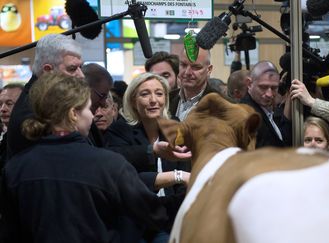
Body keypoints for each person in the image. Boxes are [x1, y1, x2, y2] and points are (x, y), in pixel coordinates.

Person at [1, 73, 179, 243]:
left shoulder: (15, 168)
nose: (93, 115)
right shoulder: (108, 164)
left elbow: (11, 233)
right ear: (73, 114)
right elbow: (154, 214)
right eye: (88, 108)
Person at [104, 72, 190, 242]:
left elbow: (185, 174)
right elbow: (125, 177)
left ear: (165, 99)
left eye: (159, 93)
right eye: (145, 94)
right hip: (135, 219)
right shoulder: (119, 130)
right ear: (133, 101)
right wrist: (154, 152)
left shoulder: (175, 127)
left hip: (169, 216)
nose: (153, 100)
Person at [7, 34, 84, 158]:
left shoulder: (45, 101)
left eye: (81, 67)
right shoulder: (33, 113)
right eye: (72, 69)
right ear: (48, 70)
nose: (81, 75)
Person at [240, 61, 292, 148]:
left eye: (274, 88)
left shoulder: (266, 108)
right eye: (263, 87)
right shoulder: (246, 114)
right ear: (249, 84)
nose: (269, 94)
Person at [169, 47, 219, 121]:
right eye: (183, 65)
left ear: (209, 70)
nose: (187, 72)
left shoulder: (221, 105)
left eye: (196, 67)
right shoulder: (167, 99)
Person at [0, 83, 23, 174]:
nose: (3, 109)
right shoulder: (6, 137)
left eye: (9, 104)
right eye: (0, 104)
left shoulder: (28, 139)